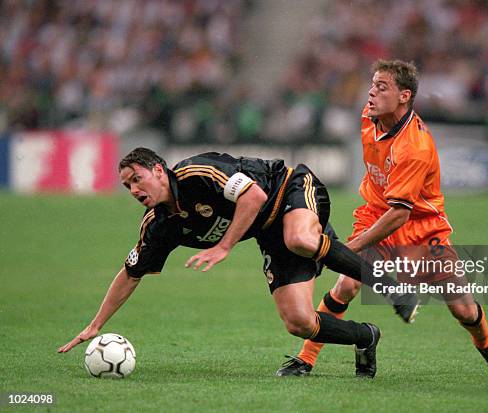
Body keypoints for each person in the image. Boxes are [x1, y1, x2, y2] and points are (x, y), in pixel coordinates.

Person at [57, 147, 418, 378]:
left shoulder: (198, 173)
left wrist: (224, 246)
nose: (135, 190)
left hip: (289, 187)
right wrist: (95, 325)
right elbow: (131, 273)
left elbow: (254, 195)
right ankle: (366, 336)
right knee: (298, 322)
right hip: (268, 232)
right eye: (127, 186)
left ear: (158, 170)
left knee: (301, 239)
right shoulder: (159, 226)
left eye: (137, 179)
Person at [276, 59, 488, 377]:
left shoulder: (414, 147)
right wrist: (350, 252)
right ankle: (306, 359)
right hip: (375, 213)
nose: (371, 93)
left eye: (381, 87)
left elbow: (400, 213)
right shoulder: (367, 116)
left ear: (404, 96)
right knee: (346, 285)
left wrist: (348, 247)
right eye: (372, 85)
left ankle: (487, 345)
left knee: (463, 308)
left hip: (421, 227)